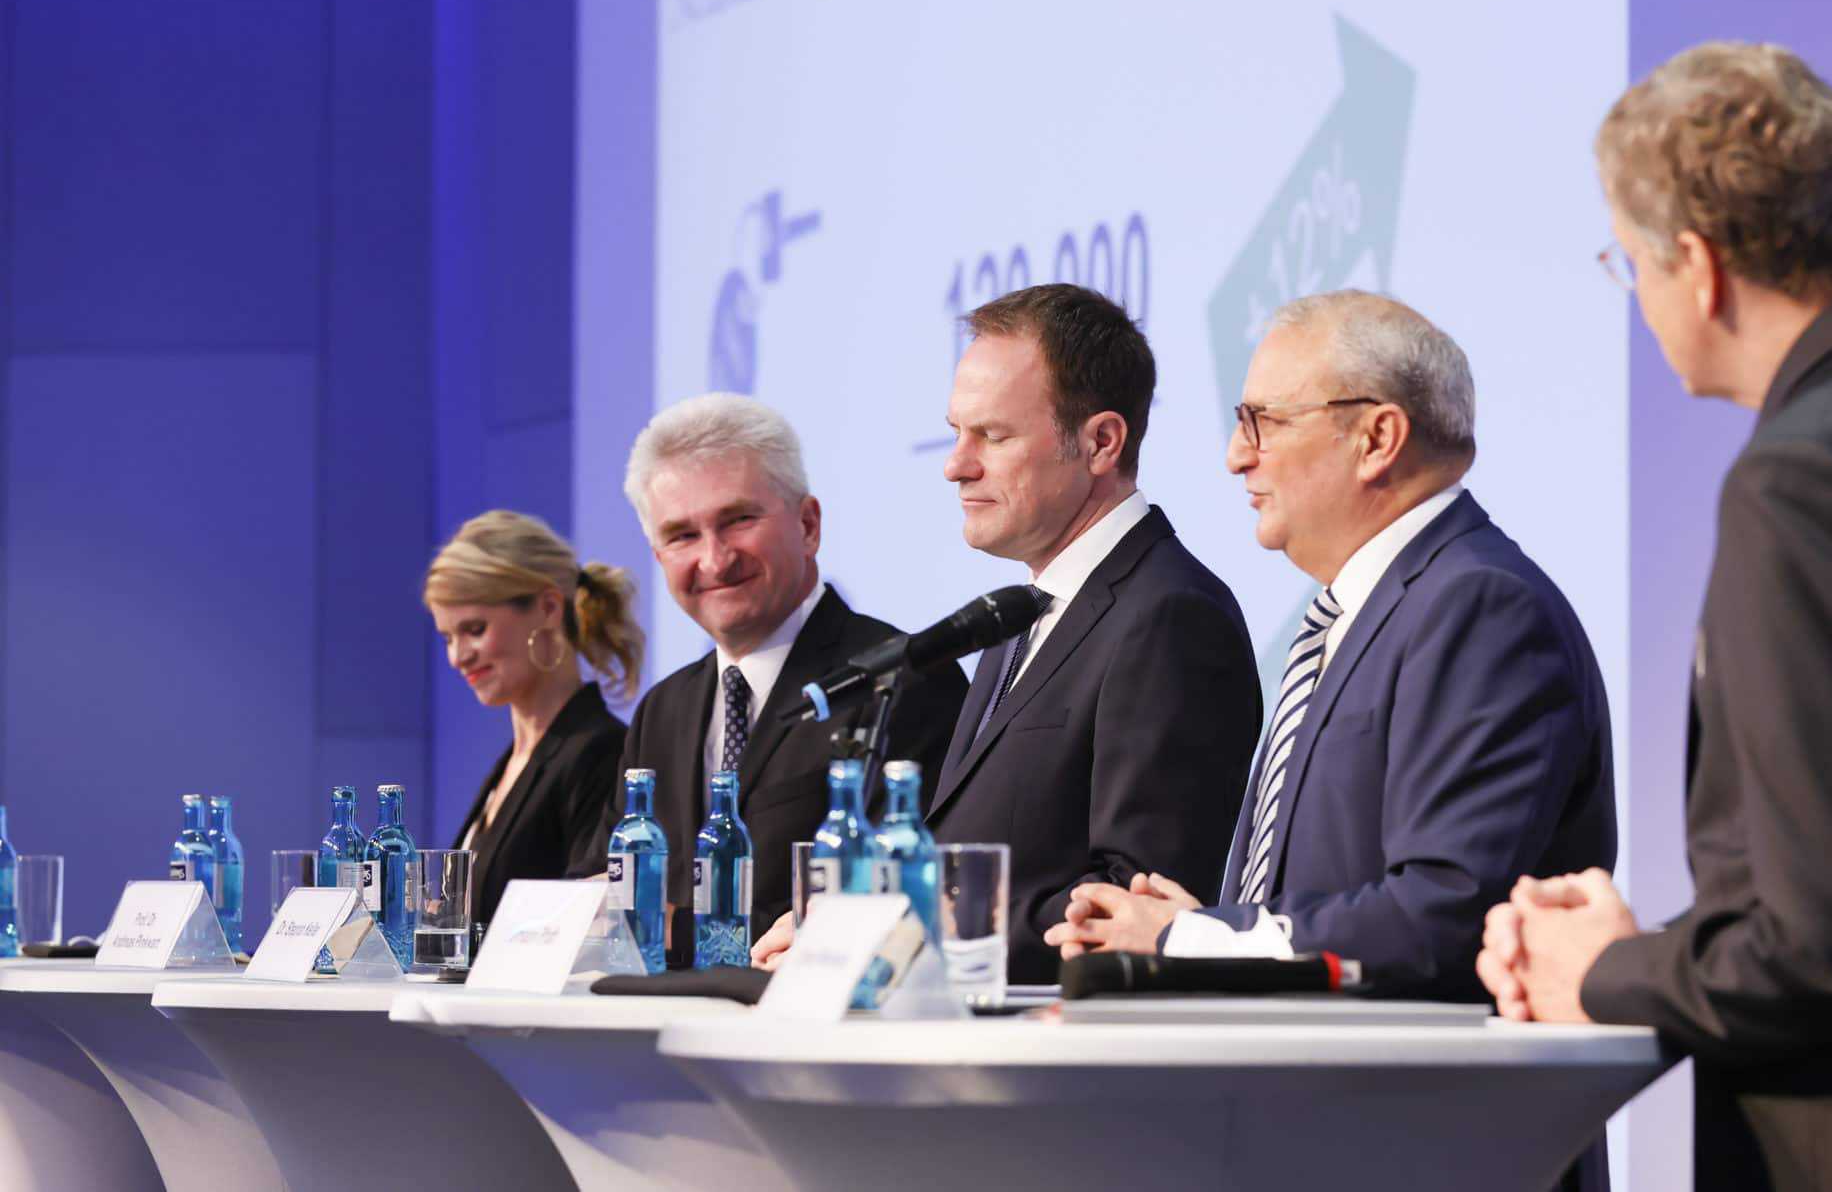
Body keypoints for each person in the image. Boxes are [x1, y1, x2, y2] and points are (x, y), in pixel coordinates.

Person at [1476, 42, 1832, 1189]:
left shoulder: (1804, 480)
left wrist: (1606, 969)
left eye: (1622, 262)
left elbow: (1828, 944)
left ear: (1694, 264)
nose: (1632, 296)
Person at [1046, 292, 1616, 1007]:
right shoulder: (1364, 613)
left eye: (1264, 422)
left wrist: (1192, 941)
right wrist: (1200, 931)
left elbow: (1440, 912)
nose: (1235, 456)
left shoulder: (1480, 608)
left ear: (1377, 438)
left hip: (1431, 1113)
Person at [753, 283, 1265, 984]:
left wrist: (900, 935)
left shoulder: (1171, 616)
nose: (956, 463)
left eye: (992, 436)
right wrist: (851, 925)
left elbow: (1123, 908)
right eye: (956, 431)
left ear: (1100, 442)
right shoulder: (1017, 613)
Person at [575, 393, 969, 950]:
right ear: (658, 555)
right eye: (682, 535)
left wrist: (668, 930)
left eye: (737, 521)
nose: (714, 559)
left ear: (808, 525)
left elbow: (896, 909)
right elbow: (595, 887)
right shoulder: (663, 710)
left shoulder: (905, 680)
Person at [426, 510, 644, 933]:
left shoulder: (600, 751)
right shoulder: (517, 757)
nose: (458, 656)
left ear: (547, 607)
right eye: (448, 637)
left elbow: (589, 928)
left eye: (474, 629)